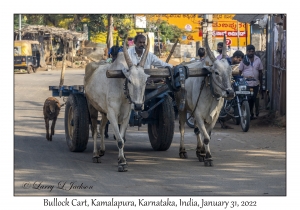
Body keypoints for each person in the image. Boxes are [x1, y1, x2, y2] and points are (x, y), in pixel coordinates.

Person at [239, 45, 263, 120]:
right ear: (247, 52)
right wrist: (241, 80)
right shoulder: (244, 60)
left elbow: (260, 72)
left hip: (255, 84)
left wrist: (261, 83)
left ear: (254, 51)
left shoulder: (258, 60)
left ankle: (251, 113)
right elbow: (240, 71)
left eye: (252, 51)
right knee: (247, 98)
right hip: (246, 84)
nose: (251, 53)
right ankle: (247, 113)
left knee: (253, 98)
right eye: (249, 51)